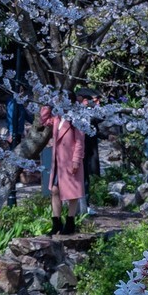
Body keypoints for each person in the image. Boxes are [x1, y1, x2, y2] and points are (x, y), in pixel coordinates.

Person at [39, 105, 85, 235]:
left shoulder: (77, 119)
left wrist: (76, 160)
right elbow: (44, 120)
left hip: (70, 160)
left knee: (72, 191)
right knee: (54, 190)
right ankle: (56, 222)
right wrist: (46, 104)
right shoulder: (57, 118)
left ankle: (70, 222)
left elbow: (80, 142)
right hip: (58, 160)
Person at [75, 90, 102, 216]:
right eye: (92, 100)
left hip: (87, 150)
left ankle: (85, 205)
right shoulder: (79, 113)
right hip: (80, 151)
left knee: (85, 178)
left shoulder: (88, 113)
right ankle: (82, 207)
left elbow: (96, 127)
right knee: (83, 179)